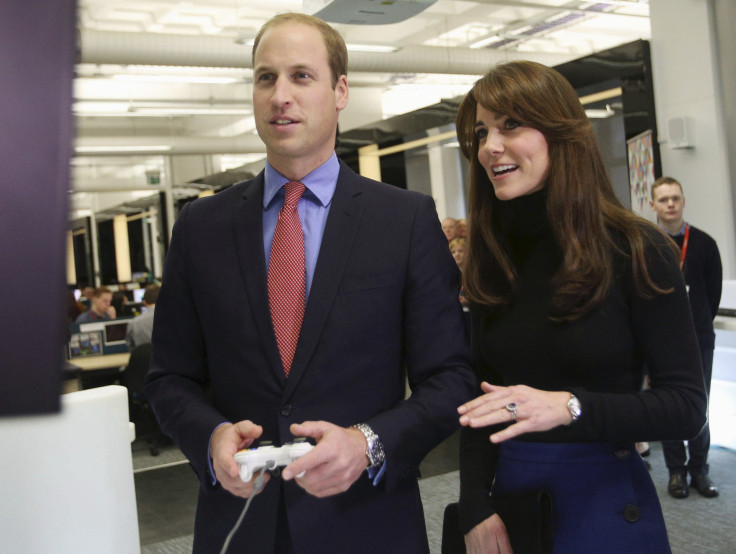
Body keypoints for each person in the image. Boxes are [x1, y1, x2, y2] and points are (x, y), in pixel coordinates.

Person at [144, 12, 475, 554]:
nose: (280, 96)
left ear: (340, 90)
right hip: (241, 522)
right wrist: (210, 439)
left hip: (367, 521)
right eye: (265, 77)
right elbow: (169, 378)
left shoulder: (405, 220)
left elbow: (450, 379)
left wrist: (368, 444)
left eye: (302, 76)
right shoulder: (201, 228)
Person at [453, 60, 707, 553]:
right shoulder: (493, 258)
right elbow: (477, 405)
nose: (490, 146)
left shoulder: (636, 249)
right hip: (511, 507)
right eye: (483, 131)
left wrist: (569, 407)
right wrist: (473, 507)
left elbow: (686, 407)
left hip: (604, 504)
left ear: (560, 133)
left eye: (510, 125)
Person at [650, 176, 723, 499]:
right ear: (653, 204)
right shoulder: (644, 245)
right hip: (659, 340)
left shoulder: (704, 244)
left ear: (682, 201)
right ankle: (676, 472)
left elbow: (713, 292)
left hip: (698, 339)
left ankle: (699, 470)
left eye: (675, 198)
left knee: (699, 405)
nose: (670, 204)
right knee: (667, 406)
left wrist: (699, 322)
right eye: (663, 199)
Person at [125, 283, 160, 349]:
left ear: (144, 302)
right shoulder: (174, 319)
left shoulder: (133, 323)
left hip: (143, 358)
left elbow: (131, 347)